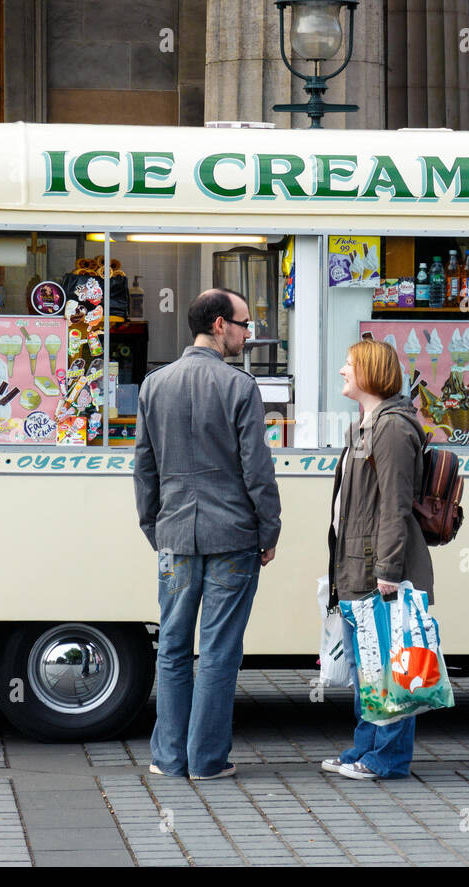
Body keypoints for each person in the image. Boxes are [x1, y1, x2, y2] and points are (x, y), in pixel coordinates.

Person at [134, 288, 282, 780]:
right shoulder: (240, 387)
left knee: (173, 648)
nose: (247, 334)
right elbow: (256, 470)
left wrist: (155, 526)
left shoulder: (155, 384)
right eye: (243, 324)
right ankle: (207, 760)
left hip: (176, 536)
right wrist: (269, 529)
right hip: (233, 536)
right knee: (219, 651)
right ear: (220, 325)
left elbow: (144, 468)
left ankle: (168, 758)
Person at [324, 337, 433, 781]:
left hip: (377, 571)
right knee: (367, 668)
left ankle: (386, 759)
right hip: (356, 566)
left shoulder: (391, 428)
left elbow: (395, 505)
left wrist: (388, 570)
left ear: (369, 371)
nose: (342, 372)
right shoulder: (369, 423)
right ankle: (364, 750)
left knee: (389, 669)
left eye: (348, 364)